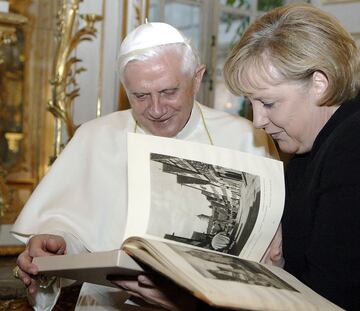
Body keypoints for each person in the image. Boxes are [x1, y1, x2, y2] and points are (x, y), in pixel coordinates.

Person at [112, 4, 360, 311]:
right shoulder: (311, 147)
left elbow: (328, 301)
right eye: (253, 104)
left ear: (319, 83)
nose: (258, 121)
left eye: (268, 103)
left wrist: (187, 303)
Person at [11, 22, 282, 310]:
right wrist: (57, 243)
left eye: (168, 91)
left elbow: (268, 253)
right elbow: (80, 236)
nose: (156, 109)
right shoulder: (95, 137)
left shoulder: (247, 138)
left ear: (197, 78)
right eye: (140, 95)